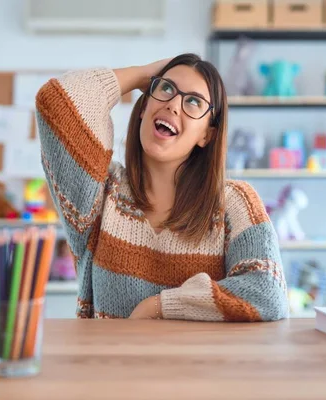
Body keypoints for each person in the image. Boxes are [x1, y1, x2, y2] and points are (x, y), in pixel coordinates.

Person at [35, 54, 289, 321]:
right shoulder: (100, 192)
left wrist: (159, 307)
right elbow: (55, 101)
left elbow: (267, 292)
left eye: (193, 101)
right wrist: (141, 74)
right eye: (166, 88)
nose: (174, 105)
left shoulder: (234, 202)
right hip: (107, 362)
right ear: (144, 108)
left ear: (207, 134)